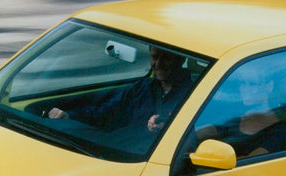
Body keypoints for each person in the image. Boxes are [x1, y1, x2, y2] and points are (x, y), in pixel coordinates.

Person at [48, 47, 193, 133]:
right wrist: (70, 116)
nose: (159, 64)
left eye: (166, 58)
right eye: (154, 57)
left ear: (181, 59)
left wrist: (166, 129)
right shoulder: (142, 87)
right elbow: (107, 112)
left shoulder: (195, 95)